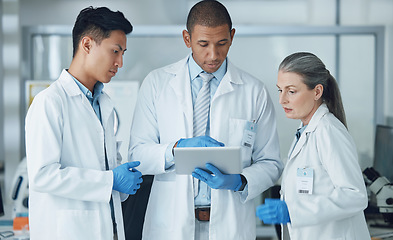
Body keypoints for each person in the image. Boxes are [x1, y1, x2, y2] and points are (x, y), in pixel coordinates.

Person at [128, 1, 283, 239]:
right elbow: (137, 155)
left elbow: (271, 163)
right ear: (187, 39)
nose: (213, 54)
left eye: (222, 43)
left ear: (232, 36)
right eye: (203, 44)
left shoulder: (254, 91)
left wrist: (240, 181)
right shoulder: (157, 84)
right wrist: (176, 149)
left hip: (230, 226)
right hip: (170, 225)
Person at [25, 6, 143, 240]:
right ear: (87, 45)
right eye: (115, 51)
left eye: (123, 53)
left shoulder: (104, 105)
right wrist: (111, 180)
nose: (120, 62)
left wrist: (122, 181)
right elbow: (43, 175)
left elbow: (104, 171)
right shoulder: (49, 102)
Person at [256, 52, 370, 239]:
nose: (282, 100)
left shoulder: (329, 131)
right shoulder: (306, 130)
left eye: (291, 91)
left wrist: (293, 212)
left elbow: (355, 195)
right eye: (280, 90)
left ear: (317, 92)